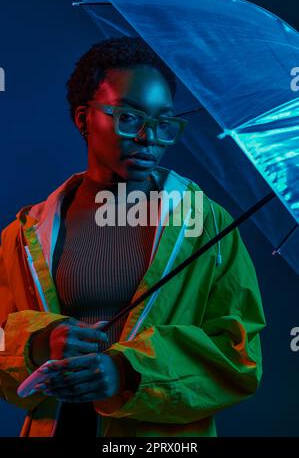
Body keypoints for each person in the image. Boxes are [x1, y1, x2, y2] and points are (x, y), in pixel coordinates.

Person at [0, 36, 266, 437]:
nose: (149, 138)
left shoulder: (207, 225)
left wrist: (127, 372)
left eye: (164, 124)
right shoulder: (23, 235)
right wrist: (38, 343)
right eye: (128, 117)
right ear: (83, 118)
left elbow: (238, 353)